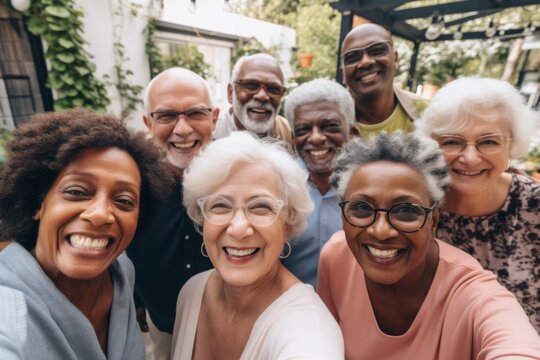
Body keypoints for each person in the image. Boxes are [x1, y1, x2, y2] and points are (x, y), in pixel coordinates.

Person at [317, 131, 540, 359]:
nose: (381, 231)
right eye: (362, 208)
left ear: (434, 219)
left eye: (406, 211)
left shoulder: (470, 293)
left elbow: (515, 343)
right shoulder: (337, 256)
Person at [0, 109, 172, 359]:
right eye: (77, 192)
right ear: (39, 203)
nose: (101, 214)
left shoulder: (121, 271)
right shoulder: (8, 306)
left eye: (124, 200)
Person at [172, 132, 344, 359]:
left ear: (287, 224)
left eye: (260, 207)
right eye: (221, 206)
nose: (239, 228)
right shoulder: (192, 292)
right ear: (202, 220)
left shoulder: (311, 333)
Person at [415, 77, 540, 332]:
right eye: (452, 141)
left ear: (511, 144)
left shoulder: (534, 206)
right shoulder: (414, 205)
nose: (470, 158)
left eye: (488, 141)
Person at [126, 67, 218, 358]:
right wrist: (137, 298)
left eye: (195, 113)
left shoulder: (237, 176)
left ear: (214, 118)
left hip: (229, 326)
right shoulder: (131, 184)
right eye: (166, 116)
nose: (182, 129)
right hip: (163, 326)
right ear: (148, 122)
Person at [282, 78, 353, 287]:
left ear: (351, 131)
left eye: (329, 126)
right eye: (303, 130)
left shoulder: (371, 189)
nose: (316, 138)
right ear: (293, 138)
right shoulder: (279, 186)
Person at [341, 23, 428, 137]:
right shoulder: (329, 122)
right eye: (352, 57)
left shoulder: (425, 114)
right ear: (343, 73)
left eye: (377, 50)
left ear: (395, 59)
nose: (365, 62)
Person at [213, 53, 293, 142]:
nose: (262, 96)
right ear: (230, 93)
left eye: (273, 89)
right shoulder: (209, 134)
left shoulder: (290, 133)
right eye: (251, 85)